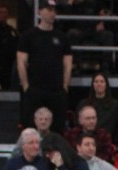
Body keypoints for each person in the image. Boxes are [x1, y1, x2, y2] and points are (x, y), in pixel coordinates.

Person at [17, 1, 72, 131]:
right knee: (31, 129)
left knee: (57, 129)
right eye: (48, 9)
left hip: (56, 91)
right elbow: (21, 62)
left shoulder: (62, 37)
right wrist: (26, 86)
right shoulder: (28, 36)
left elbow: (68, 64)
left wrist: (65, 86)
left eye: (54, 10)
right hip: (35, 90)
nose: (52, 13)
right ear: (39, 12)